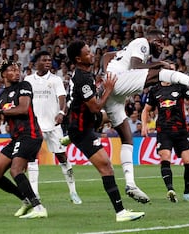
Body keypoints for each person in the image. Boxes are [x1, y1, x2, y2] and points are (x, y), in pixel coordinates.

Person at [86, 29, 189, 203]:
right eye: (160, 41)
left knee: (126, 137)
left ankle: (130, 183)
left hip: (114, 87)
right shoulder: (142, 43)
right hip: (118, 80)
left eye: (163, 44)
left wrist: (103, 72)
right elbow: (137, 66)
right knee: (159, 73)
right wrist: (160, 63)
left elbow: (107, 55)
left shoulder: (127, 49)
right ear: (151, 38)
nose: (161, 46)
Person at [66, 40, 145, 222]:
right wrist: (108, 89)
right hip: (82, 130)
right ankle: (120, 212)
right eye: (87, 53)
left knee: (116, 116)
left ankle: (67, 138)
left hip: (86, 122)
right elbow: (95, 107)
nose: (91, 54)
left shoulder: (85, 74)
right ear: (78, 58)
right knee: (106, 167)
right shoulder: (83, 79)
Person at [0, 60, 47, 219]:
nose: (17, 72)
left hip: (30, 134)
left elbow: (23, 109)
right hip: (16, 138)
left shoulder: (24, 86)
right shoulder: (2, 96)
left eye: (17, 69)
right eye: (12, 70)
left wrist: (0, 112)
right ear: (4, 74)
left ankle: (38, 207)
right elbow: (7, 114)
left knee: (15, 170)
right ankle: (25, 199)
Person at [24, 51, 82, 205]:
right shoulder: (28, 80)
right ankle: (35, 194)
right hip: (35, 126)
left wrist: (62, 112)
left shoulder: (56, 80)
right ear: (36, 63)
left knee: (62, 157)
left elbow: (62, 98)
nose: (48, 62)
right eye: (44, 60)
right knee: (32, 158)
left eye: (50, 60)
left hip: (53, 124)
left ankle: (73, 191)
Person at [141, 81, 189, 203]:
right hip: (164, 131)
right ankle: (170, 190)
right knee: (165, 157)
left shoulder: (180, 86)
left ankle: (187, 193)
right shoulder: (155, 90)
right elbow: (145, 110)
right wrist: (144, 125)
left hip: (181, 130)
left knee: (188, 160)